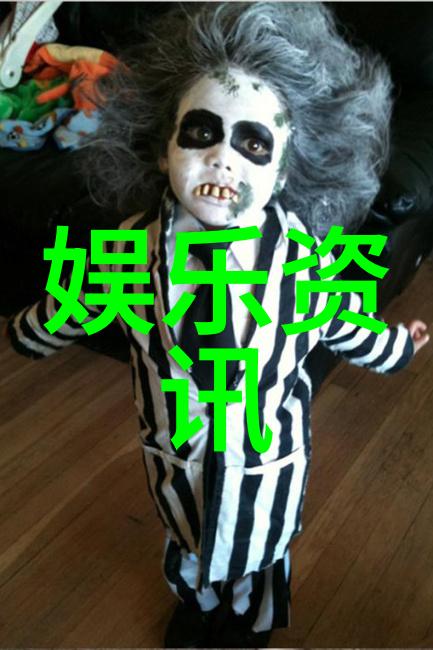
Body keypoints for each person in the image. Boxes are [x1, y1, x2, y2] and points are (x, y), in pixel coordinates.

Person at [6, 3, 430, 648]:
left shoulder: (305, 262)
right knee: (187, 536)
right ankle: (198, 603)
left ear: (284, 170)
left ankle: (247, 619)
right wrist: (27, 333)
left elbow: (345, 324)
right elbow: (76, 304)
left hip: (266, 460)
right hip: (176, 450)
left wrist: (397, 347)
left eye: (253, 144)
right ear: (163, 149)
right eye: (201, 133)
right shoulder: (125, 253)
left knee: (258, 551)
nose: (223, 161)